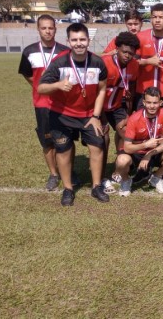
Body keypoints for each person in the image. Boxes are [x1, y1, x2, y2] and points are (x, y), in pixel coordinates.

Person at [38, 23, 109, 206]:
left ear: (88, 40)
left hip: (88, 115)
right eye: (75, 40)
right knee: (63, 151)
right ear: (68, 41)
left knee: (97, 146)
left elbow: (102, 90)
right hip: (62, 115)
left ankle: (96, 186)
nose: (79, 43)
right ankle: (68, 189)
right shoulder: (59, 62)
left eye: (82, 39)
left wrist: (96, 115)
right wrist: (58, 85)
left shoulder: (98, 62)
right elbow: (41, 87)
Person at [18, 14, 71, 190]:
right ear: (38, 29)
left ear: (55, 29)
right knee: (47, 141)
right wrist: (40, 86)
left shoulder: (65, 51)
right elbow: (27, 73)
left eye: (50, 28)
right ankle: (54, 174)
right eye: (44, 28)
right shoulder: (29, 51)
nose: (47, 31)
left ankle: (69, 172)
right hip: (41, 104)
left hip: (62, 104)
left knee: (66, 139)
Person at [111, 86, 163, 196]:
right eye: (149, 102)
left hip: (154, 152)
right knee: (121, 161)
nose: (152, 106)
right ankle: (126, 180)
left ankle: (156, 177)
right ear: (143, 102)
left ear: (160, 102)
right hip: (136, 154)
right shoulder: (134, 118)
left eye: (155, 103)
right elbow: (127, 147)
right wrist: (145, 145)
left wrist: (149, 154)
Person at [100, 32, 139, 193]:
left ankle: (119, 169)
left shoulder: (134, 65)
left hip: (117, 106)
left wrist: (128, 115)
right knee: (103, 138)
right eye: (124, 52)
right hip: (99, 107)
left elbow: (132, 91)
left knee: (128, 133)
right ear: (116, 49)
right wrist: (100, 119)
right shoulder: (103, 63)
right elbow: (95, 93)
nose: (127, 56)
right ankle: (101, 177)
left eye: (131, 53)